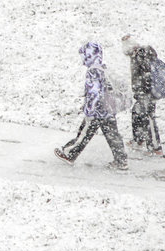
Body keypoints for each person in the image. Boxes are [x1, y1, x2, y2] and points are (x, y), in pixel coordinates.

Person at [55, 41, 129, 170]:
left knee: (85, 132)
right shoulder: (103, 68)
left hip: (98, 110)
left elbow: (94, 92)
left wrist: (89, 110)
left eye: (83, 55)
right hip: (108, 108)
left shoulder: (93, 71)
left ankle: (69, 153)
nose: (82, 59)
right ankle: (121, 160)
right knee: (113, 135)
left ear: (88, 55)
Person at [121, 34, 163, 155]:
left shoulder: (140, 55)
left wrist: (145, 92)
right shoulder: (136, 55)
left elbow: (147, 75)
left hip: (147, 94)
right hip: (142, 94)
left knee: (149, 118)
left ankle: (155, 148)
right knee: (136, 113)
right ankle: (138, 140)